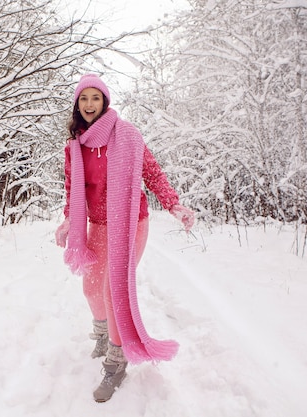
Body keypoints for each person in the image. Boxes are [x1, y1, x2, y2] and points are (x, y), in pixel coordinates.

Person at [54, 74, 195, 402]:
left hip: (131, 223)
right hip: (98, 224)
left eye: (96, 98)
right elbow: (73, 189)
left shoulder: (127, 135)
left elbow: (153, 172)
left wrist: (173, 204)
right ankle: (103, 335)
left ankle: (117, 362)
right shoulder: (74, 147)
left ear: (105, 102)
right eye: (84, 98)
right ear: (78, 104)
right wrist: (67, 221)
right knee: (91, 287)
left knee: (112, 289)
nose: (89, 104)